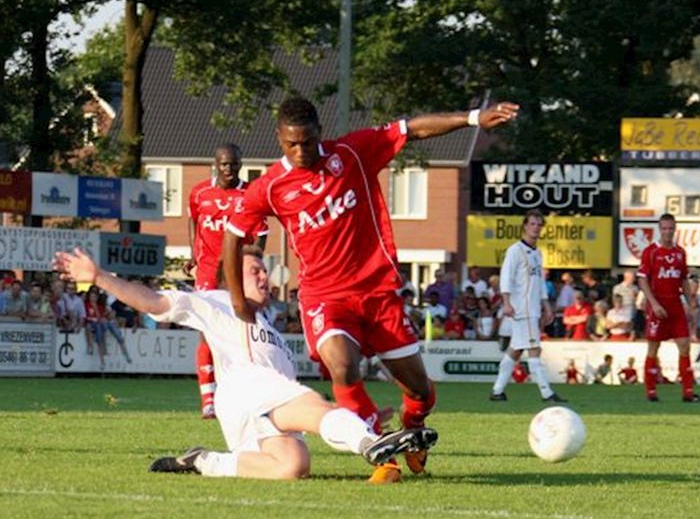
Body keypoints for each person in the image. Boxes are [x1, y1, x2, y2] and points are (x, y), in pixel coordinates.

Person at [223, 96, 518, 483]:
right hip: (324, 297)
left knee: (421, 391)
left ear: (319, 134)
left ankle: (413, 429)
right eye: (291, 144)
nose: (300, 151)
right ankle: (381, 454)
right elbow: (233, 234)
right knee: (342, 364)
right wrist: (236, 297)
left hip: (378, 293)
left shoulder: (354, 153)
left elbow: (411, 128)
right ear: (279, 138)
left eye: (307, 142)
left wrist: (474, 117)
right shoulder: (271, 187)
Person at [54, 245, 436, 480]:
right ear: (232, 276)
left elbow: (297, 398)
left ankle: (204, 461)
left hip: (252, 410)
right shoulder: (214, 300)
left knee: (292, 468)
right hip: (243, 389)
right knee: (318, 413)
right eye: (255, 270)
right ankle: (371, 444)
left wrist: (338, 411)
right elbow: (152, 301)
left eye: (264, 270)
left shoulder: (269, 327)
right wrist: (99, 277)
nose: (264, 276)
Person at [185, 143, 268, 419]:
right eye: (224, 164)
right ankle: (208, 399)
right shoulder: (199, 192)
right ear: (215, 164)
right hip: (208, 272)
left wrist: (253, 260)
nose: (229, 170)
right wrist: (193, 256)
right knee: (206, 332)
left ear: (241, 164)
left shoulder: (250, 194)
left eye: (234, 164)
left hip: (236, 274)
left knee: (245, 333)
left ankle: (250, 396)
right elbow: (193, 222)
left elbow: (262, 232)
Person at [488, 209, 566, 403]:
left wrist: (546, 305)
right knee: (534, 348)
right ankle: (546, 392)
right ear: (525, 226)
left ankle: (497, 390)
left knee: (516, 349)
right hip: (521, 308)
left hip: (533, 309)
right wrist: (506, 302)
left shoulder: (537, 253)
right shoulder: (515, 250)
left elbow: (539, 283)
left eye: (539, 224)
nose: (536, 228)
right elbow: (506, 277)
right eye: (532, 224)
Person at [637, 213, 700, 402]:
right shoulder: (651, 251)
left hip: (675, 305)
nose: (667, 232)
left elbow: (683, 278)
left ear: (675, 229)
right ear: (660, 229)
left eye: (671, 228)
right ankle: (651, 391)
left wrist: (690, 302)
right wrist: (653, 303)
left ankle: (688, 392)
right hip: (658, 304)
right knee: (653, 347)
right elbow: (642, 279)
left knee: (684, 345)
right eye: (664, 228)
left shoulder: (680, 252)